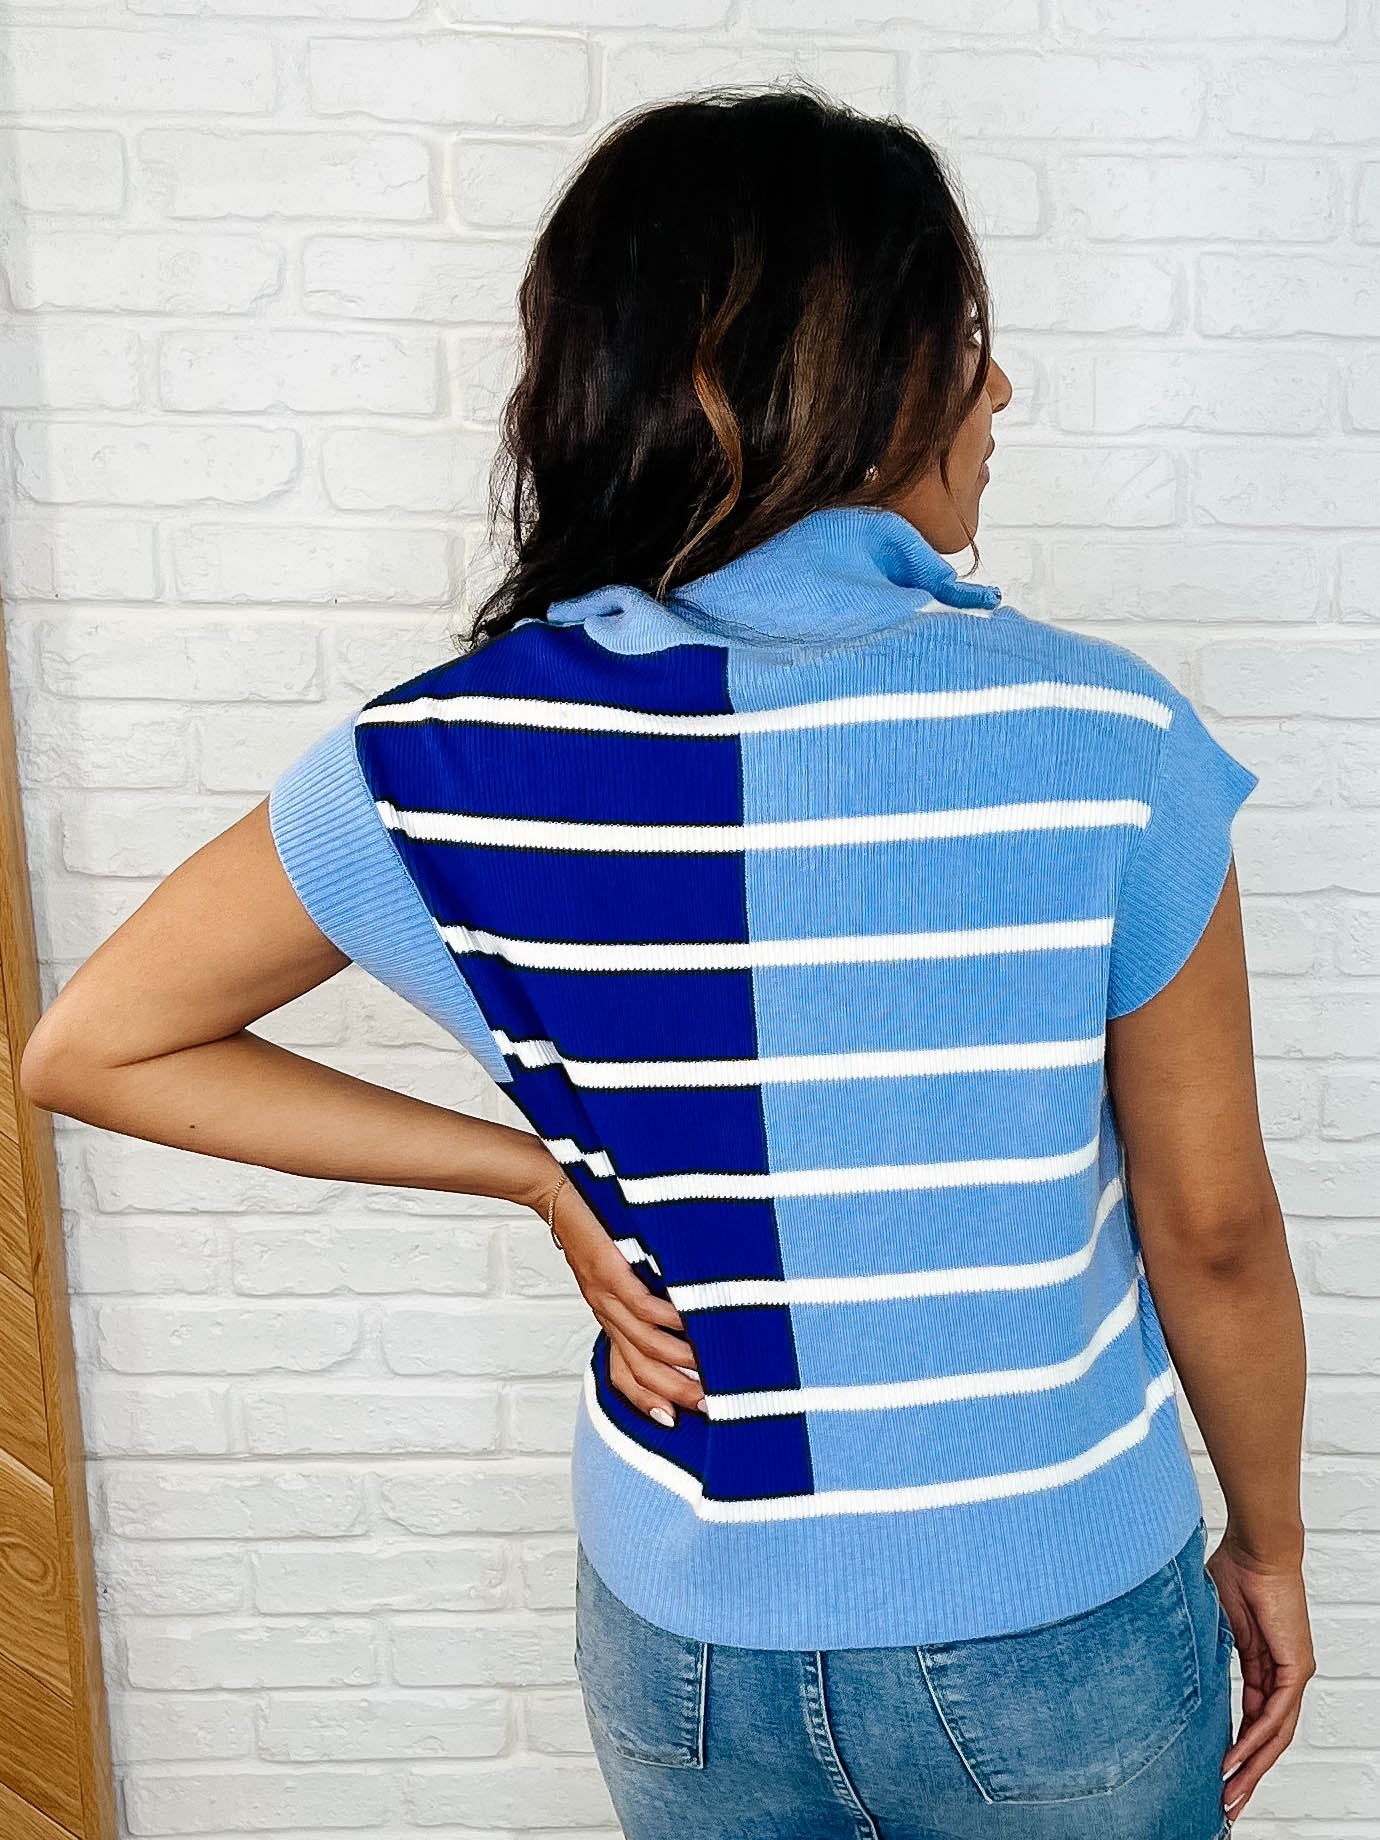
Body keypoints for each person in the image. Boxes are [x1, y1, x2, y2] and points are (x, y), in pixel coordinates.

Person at [20, 86, 1313, 1840]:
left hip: (691, 1643)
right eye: (966, 340)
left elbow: (94, 1044)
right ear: (849, 375)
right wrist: (1270, 1544)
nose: (999, 390)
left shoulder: (444, 752)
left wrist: (535, 1175)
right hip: (1055, 1616)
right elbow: (1213, 1229)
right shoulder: (1109, 739)